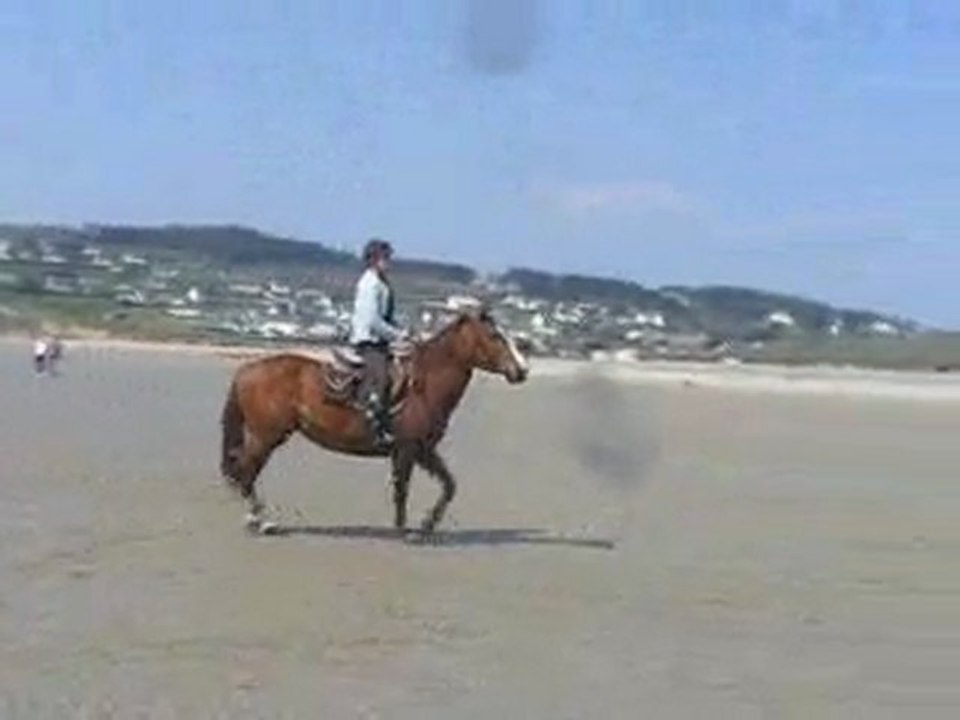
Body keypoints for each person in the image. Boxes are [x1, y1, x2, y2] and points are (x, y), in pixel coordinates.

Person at [349, 238, 407, 447]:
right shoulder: (369, 284)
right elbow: (372, 321)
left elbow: (387, 317)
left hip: (381, 340)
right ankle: (374, 426)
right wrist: (397, 336)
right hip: (368, 341)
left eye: (388, 258)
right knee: (381, 378)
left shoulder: (382, 283)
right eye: (385, 258)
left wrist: (404, 331)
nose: (388, 262)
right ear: (374, 260)